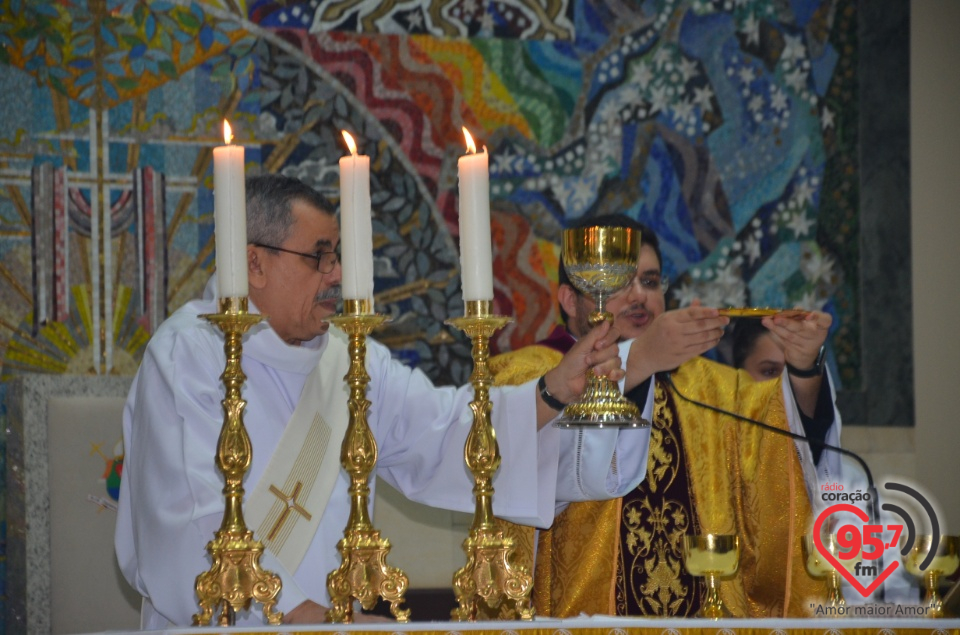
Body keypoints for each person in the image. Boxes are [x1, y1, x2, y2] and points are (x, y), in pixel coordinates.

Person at [115, 176, 653, 627]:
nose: (336, 274)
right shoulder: (186, 354)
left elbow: (443, 434)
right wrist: (307, 617)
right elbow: (187, 525)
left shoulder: (349, 359)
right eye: (319, 257)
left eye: (338, 255)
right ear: (254, 264)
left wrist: (553, 389)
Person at [490, 214, 842, 618]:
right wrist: (635, 363)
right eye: (621, 282)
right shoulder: (529, 380)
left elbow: (784, 441)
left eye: (651, 281)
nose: (639, 296)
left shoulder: (713, 388)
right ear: (570, 300)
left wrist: (804, 369)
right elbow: (512, 461)